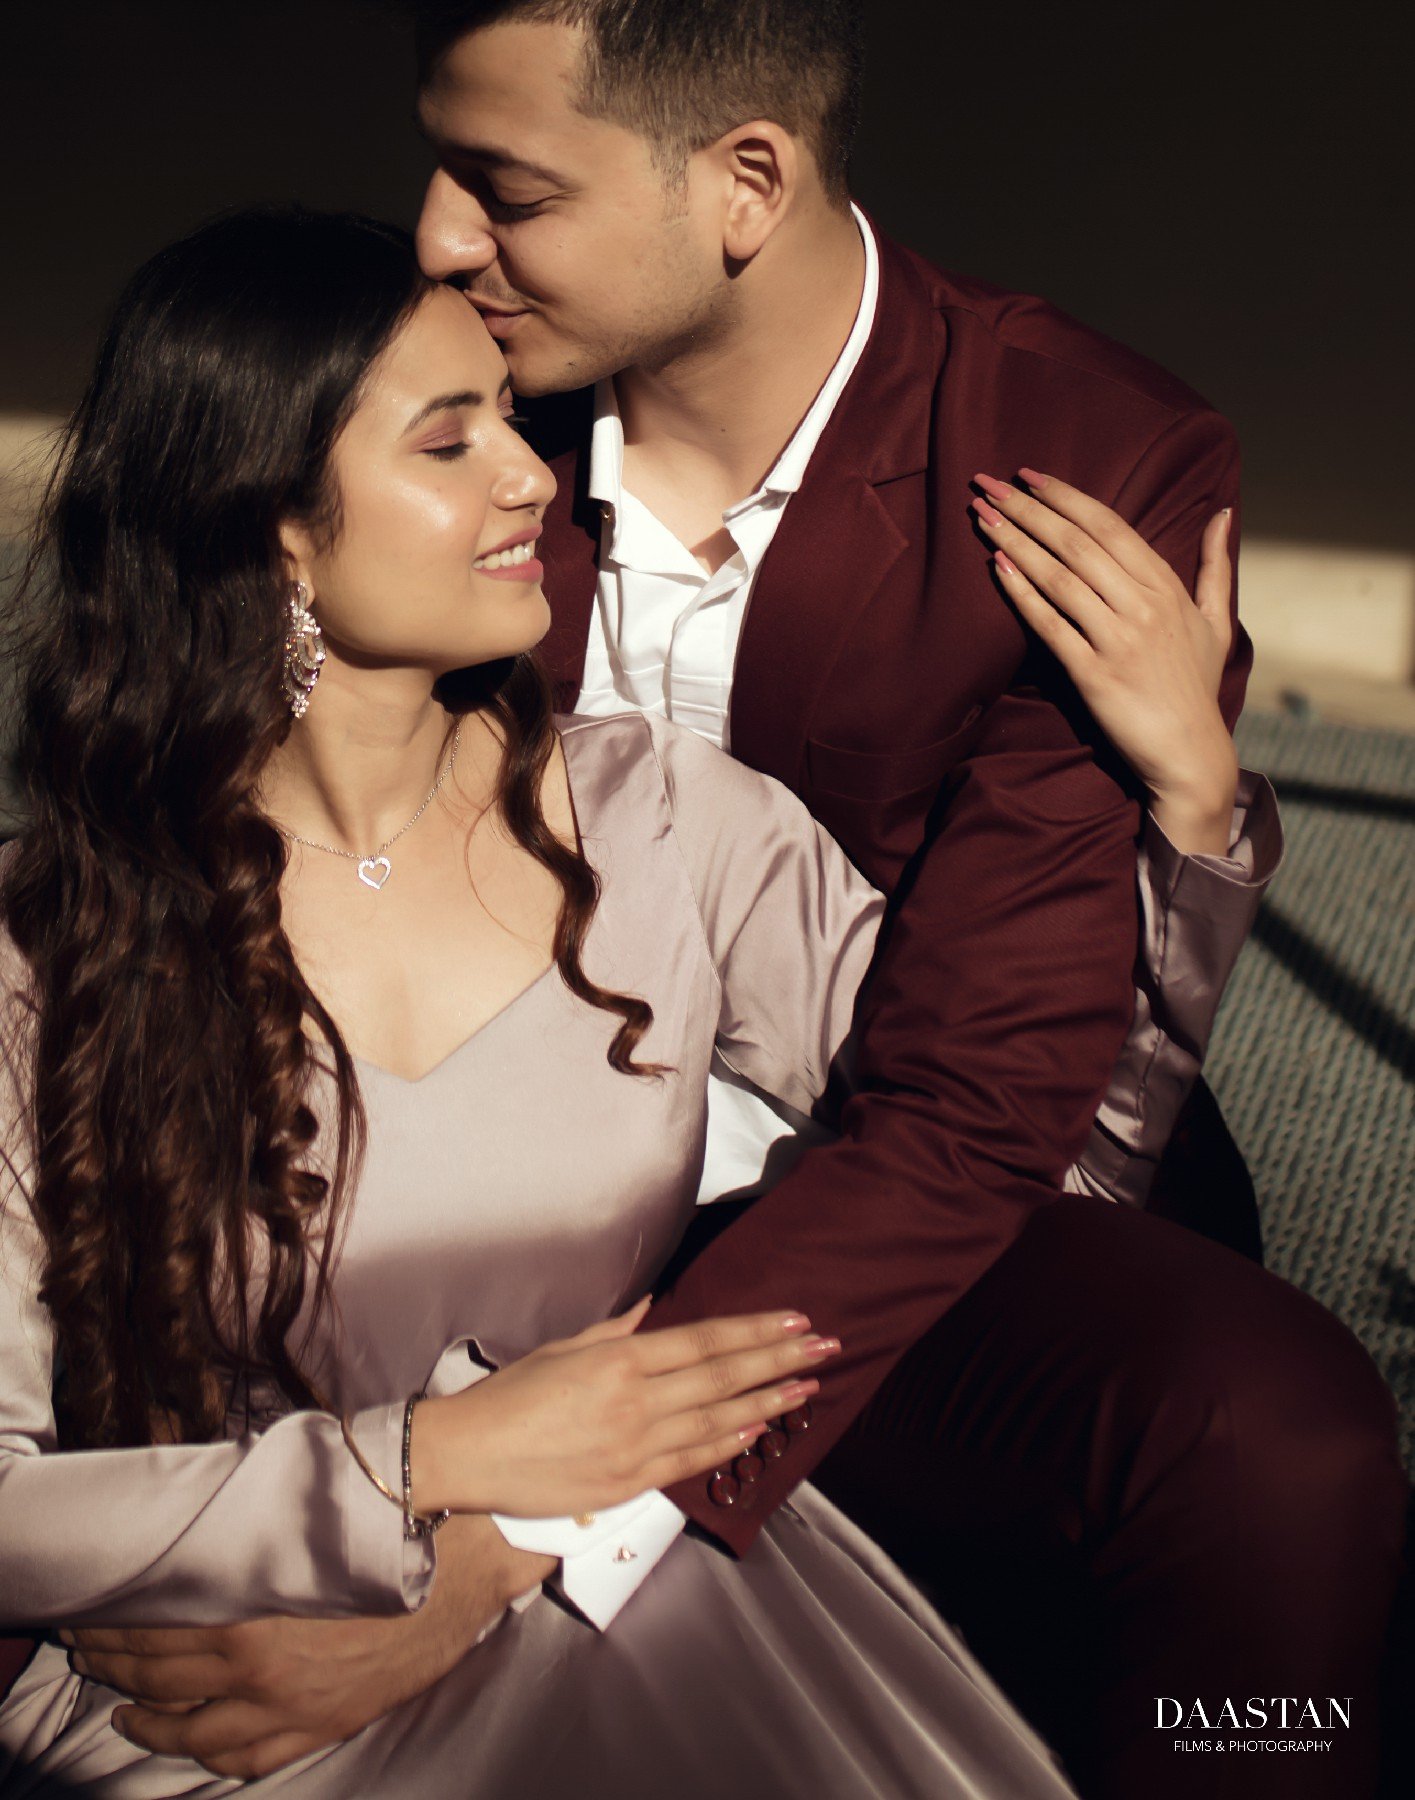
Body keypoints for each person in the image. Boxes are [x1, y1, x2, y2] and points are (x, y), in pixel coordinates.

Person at [0, 205, 1238, 1799]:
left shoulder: (668, 824)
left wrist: (1190, 811)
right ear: (273, 533)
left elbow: (1026, 1156)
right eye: (451, 443)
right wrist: (426, 1463)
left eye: (510, 417)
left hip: (640, 1608)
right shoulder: (43, 942)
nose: (533, 473)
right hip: (216, 1698)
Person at [393, 4, 1406, 1794]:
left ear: (744, 183)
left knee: (1274, 1441)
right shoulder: (434, 401)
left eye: (508, 187)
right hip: (448, 1137)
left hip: (879, 1165)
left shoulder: (1081, 460)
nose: (437, 235)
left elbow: (978, 1092)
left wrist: (588, 1487)